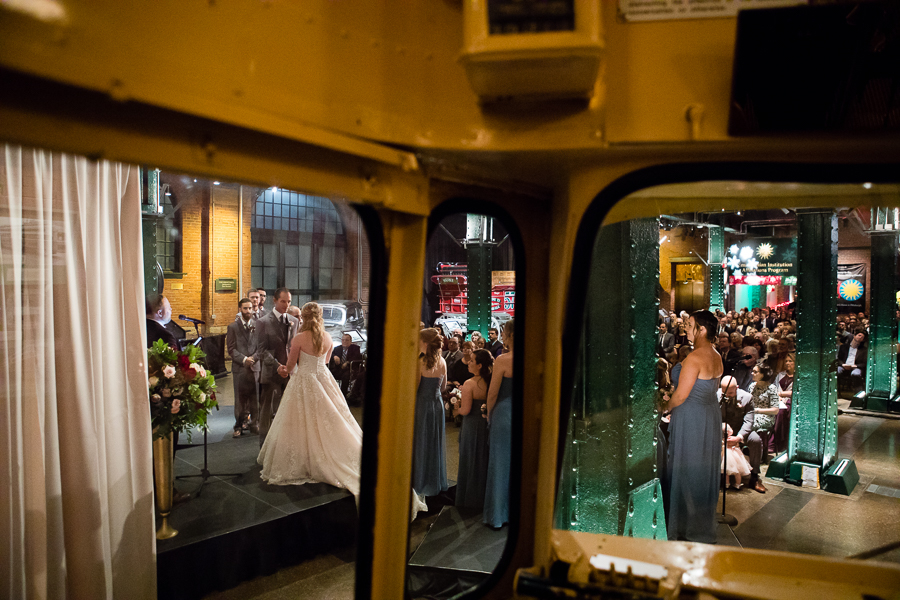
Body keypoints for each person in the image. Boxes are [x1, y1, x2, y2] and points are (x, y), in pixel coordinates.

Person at [666, 310, 722, 543]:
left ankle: (685, 525)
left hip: (692, 417)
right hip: (709, 415)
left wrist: (663, 407)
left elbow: (680, 396)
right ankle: (699, 522)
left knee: (687, 469)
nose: (685, 329)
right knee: (702, 469)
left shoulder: (694, 358)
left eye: (690, 325)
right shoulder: (716, 355)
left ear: (702, 330)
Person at [256, 288, 299, 447]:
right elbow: (261, 350)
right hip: (271, 371)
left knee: (288, 410)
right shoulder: (263, 322)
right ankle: (264, 446)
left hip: (290, 372)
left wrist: (290, 366)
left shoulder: (294, 321)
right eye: (283, 301)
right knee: (266, 411)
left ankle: (285, 445)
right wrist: (278, 366)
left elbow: (293, 346)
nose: (287, 305)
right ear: (274, 300)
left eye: (289, 301)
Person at [412, 328, 449, 502]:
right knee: (434, 442)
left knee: (421, 441)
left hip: (422, 404)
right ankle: (434, 480)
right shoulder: (442, 361)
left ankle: (419, 480)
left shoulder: (420, 362)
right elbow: (443, 387)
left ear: (425, 343)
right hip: (437, 404)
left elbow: (415, 388)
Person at [484, 319, 514, 528]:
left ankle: (498, 515)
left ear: (510, 335)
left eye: (503, 332)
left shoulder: (503, 360)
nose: (502, 336)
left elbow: (493, 392)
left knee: (500, 463)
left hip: (504, 414)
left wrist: (488, 413)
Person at [455, 349, 493, 510]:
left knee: (469, 459)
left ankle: (468, 499)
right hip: (485, 426)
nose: (468, 363)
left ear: (479, 365)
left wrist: (457, 407)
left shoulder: (469, 384)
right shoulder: (491, 381)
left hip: (471, 426)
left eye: (472, 361)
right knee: (483, 459)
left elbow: (466, 410)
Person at [718, 375, 766, 493]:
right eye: (724, 393)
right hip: (721, 430)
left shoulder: (747, 397)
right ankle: (717, 474)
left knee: (755, 440)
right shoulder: (716, 396)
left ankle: (754, 476)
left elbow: (749, 420)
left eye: (730, 393)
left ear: (737, 388)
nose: (727, 396)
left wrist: (739, 437)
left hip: (740, 430)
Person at [226, 298, 259, 437]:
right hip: (240, 368)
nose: (248, 311)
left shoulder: (258, 325)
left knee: (255, 398)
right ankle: (238, 426)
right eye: (245, 308)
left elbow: (261, 346)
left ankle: (254, 424)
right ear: (240, 309)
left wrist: (254, 359)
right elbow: (231, 349)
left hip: (254, 367)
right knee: (240, 399)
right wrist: (244, 359)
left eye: (250, 308)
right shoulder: (233, 327)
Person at [770, 352, 795, 455]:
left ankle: (776, 442)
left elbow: (796, 392)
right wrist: (778, 396)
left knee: (780, 412)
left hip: (790, 400)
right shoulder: (780, 375)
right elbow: (774, 387)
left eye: (790, 361)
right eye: (786, 361)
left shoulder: (799, 376)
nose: (787, 363)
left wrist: (781, 394)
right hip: (778, 399)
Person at [749, 363, 779, 438]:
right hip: (753, 414)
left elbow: (775, 410)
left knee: (749, 423)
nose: (752, 373)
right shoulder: (752, 386)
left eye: (755, 372)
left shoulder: (771, 388)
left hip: (766, 417)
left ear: (763, 375)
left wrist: (757, 410)